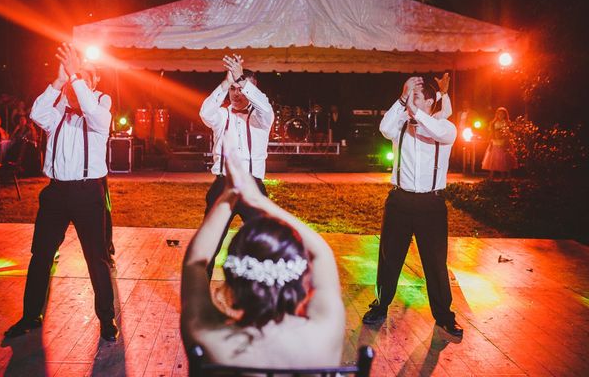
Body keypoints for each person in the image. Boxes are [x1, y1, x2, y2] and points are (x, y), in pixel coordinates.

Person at [181, 131, 345, 367]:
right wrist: (257, 199)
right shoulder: (324, 332)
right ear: (297, 278)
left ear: (233, 282)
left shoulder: (210, 338)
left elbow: (194, 261)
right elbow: (322, 254)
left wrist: (230, 192)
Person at [4, 43, 118, 342]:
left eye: (84, 77)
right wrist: (58, 80)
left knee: (97, 258)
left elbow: (92, 112)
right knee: (40, 255)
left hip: (87, 194)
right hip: (55, 194)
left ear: (94, 82)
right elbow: (37, 113)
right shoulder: (57, 110)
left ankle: (107, 320)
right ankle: (30, 317)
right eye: (74, 77)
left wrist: (77, 75)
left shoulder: (101, 108)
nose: (76, 80)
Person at [362, 76, 463, 339]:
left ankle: (444, 317)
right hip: (400, 201)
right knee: (389, 259)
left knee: (435, 264)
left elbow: (439, 130)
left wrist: (423, 107)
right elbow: (385, 127)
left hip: (431, 204)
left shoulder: (446, 128)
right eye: (409, 96)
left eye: (416, 97)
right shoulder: (400, 126)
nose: (411, 101)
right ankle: (380, 305)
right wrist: (402, 96)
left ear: (430, 101)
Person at [199, 54, 274, 278]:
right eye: (233, 89)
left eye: (242, 89)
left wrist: (241, 79)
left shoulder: (263, 118)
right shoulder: (221, 116)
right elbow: (205, 112)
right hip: (224, 186)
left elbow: (264, 104)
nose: (237, 93)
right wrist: (226, 82)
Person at [481, 107, 517, 180]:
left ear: (505, 115)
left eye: (502, 114)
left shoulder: (506, 123)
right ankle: (491, 176)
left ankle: (506, 176)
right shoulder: (494, 123)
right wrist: (491, 140)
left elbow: (508, 133)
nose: (500, 116)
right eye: (499, 114)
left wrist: (505, 138)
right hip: (495, 142)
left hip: (504, 142)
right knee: (493, 159)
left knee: (505, 159)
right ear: (497, 115)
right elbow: (491, 133)